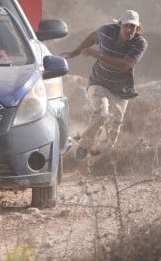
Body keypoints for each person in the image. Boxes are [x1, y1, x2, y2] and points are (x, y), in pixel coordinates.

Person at [63, 9, 148, 160]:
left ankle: (98, 161)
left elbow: (124, 65)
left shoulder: (139, 43)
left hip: (121, 90)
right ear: (119, 25)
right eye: (126, 26)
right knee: (102, 114)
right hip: (99, 82)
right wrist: (74, 52)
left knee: (113, 131)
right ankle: (85, 144)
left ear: (137, 29)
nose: (129, 30)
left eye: (133, 27)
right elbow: (92, 37)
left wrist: (97, 55)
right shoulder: (107, 30)